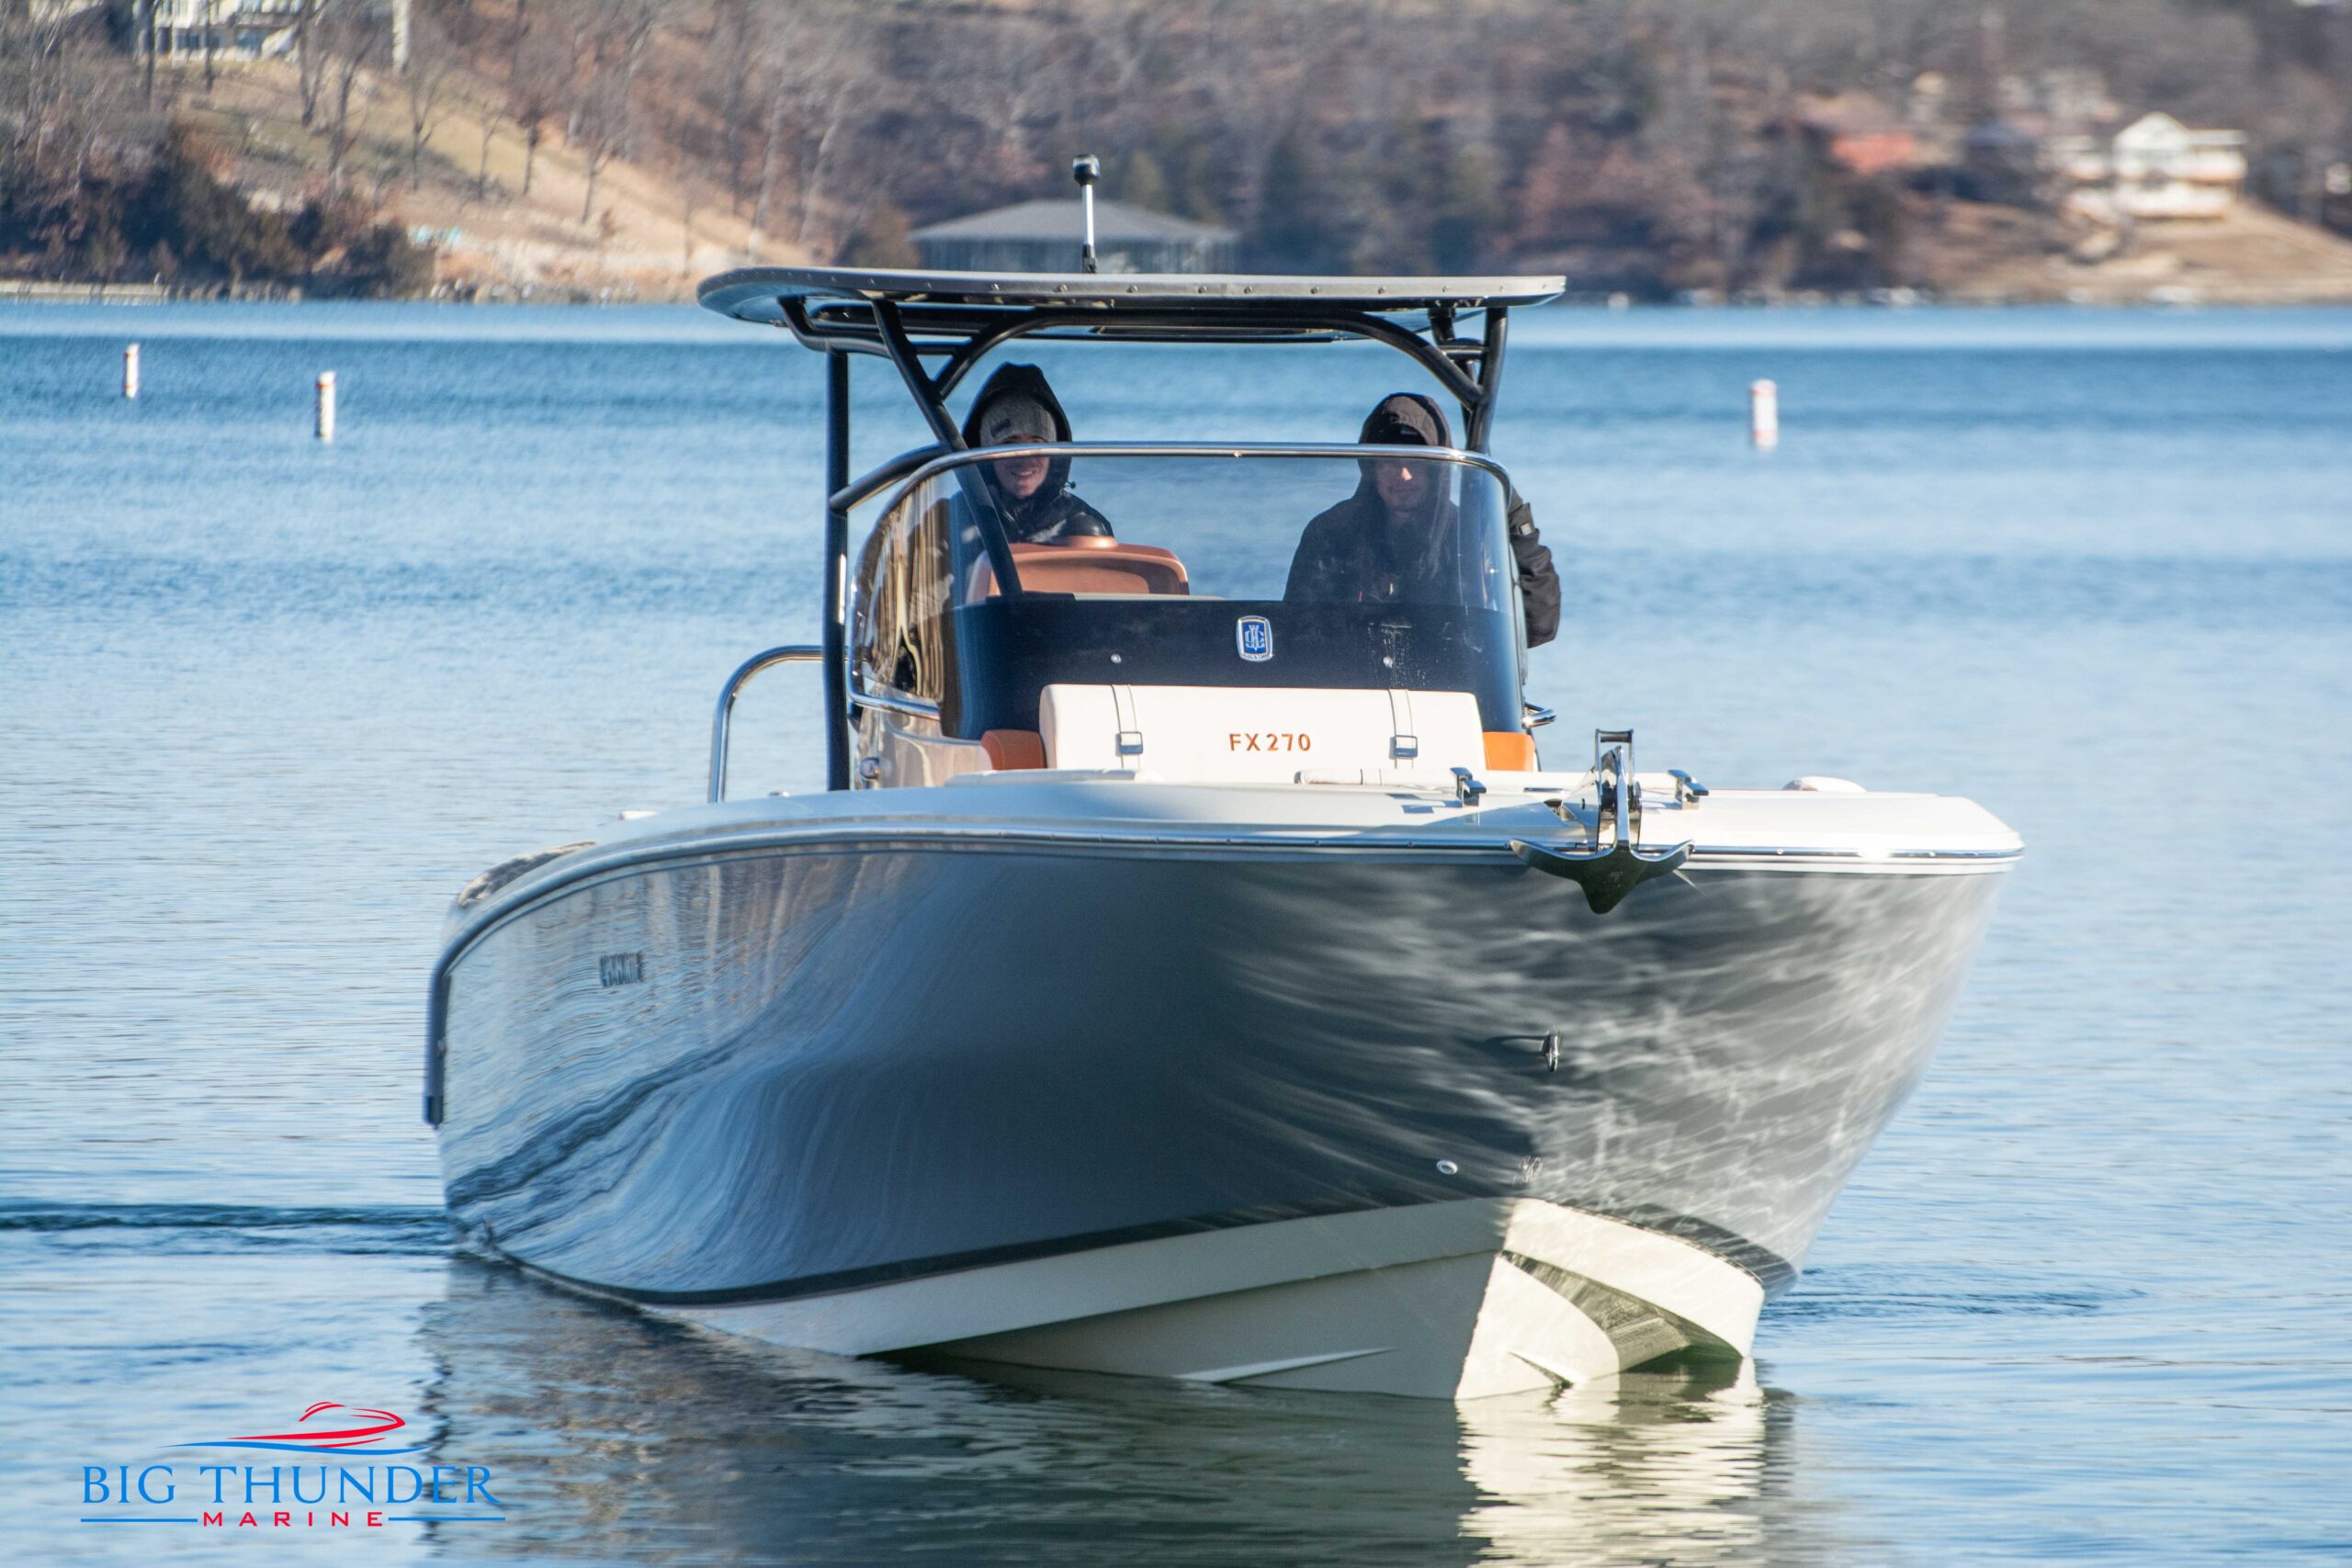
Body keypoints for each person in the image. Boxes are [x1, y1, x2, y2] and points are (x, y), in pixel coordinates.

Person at [1283, 392, 1560, 648]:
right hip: (1353, 685)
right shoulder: (1333, 531)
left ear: (1437, 471)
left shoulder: (1466, 536)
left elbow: (1538, 625)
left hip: (1446, 688)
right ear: (1370, 468)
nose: (1403, 476)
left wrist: (1517, 521)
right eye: (1390, 462)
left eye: (1416, 462)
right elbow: (1297, 630)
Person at [956, 364, 1113, 543]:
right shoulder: (948, 519)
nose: (1024, 458)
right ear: (986, 454)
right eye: (1009, 445)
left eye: (1037, 444)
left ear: (1054, 454)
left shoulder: (1086, 524)